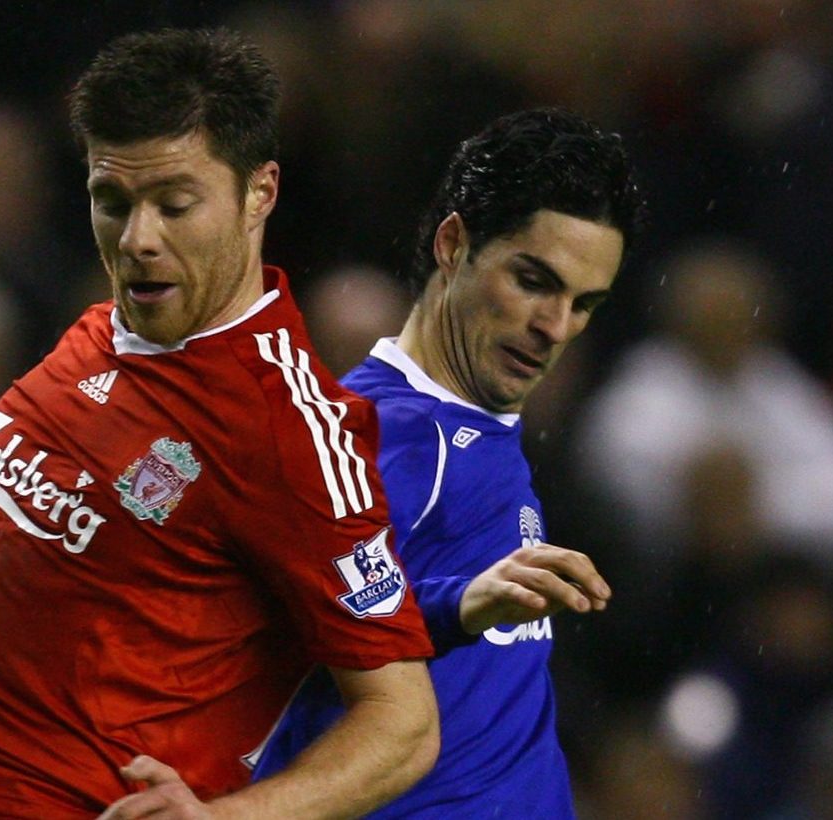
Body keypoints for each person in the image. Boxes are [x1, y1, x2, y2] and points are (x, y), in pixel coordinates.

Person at [0, 28, 441, 818]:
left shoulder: (288, 427)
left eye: (174, 204)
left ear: (261, 192)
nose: (138, 239)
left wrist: (227, 818)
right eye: (111, 203)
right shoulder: (91, 334)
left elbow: (404, 722)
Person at [253, 108, 644, 818]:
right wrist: (458, 605)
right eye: (534, 281)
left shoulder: (477, 430)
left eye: (584, 304)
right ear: (455, 244)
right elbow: (279, 642)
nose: (556, 327)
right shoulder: (385, 435)